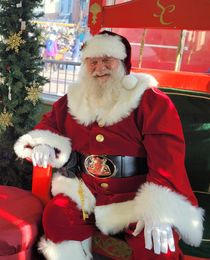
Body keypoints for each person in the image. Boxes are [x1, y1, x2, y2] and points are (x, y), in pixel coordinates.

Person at [14, 31, 204, 259]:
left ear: (123, 63)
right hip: (85, 193)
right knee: (57, 217)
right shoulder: (73, 99)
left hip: (135, 198)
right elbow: (50, 124)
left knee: (157, 247)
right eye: (92, 62)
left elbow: (168, 160)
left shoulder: (151, 101)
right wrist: (43, 143)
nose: (99, 67)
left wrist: (159, 207)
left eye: (107, 60)